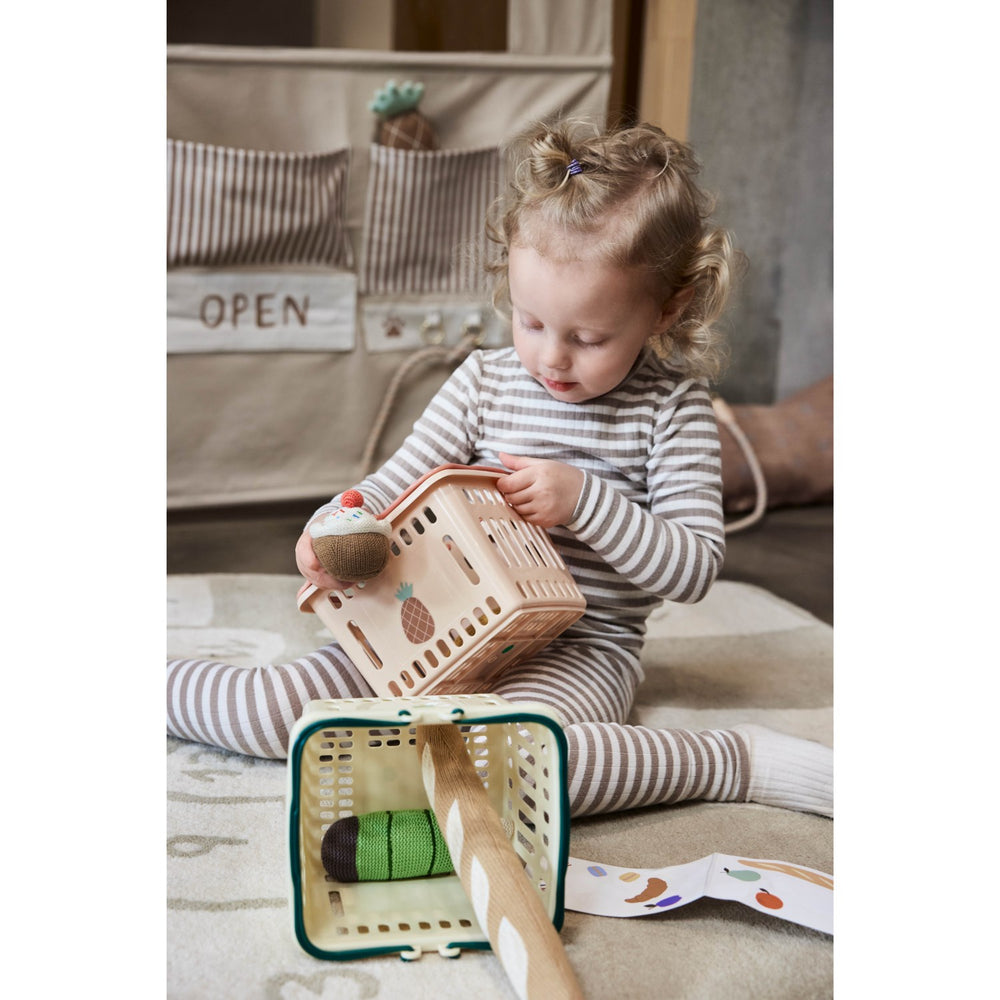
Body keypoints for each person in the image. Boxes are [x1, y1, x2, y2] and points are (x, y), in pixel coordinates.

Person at [167, 119, 832, 819]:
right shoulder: (485, 381)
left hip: (581, 650)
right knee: (276, 714)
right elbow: (394, 483)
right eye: (530, 321)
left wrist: (585, 501)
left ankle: (730, 761)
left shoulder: (672, 410)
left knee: (508, 771)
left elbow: (692, 569)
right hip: (431, 621)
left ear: (668, 309)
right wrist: (333, 524)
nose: (551, 358)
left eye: (589, 337)